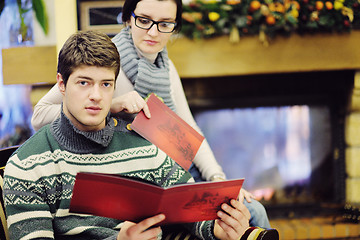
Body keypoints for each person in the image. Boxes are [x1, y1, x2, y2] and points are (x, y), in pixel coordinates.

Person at [30, 0, 270, 229]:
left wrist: (218, 179)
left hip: (177, 171)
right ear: (128, 18)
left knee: (250, 209)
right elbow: (39, 116)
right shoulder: (105, 63)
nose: (153, 33)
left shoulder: (165, 66)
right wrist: (111, 105)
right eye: (144, 20)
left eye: (165, 24)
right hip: (143, 183)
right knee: (250, 213)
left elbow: (189, 130)